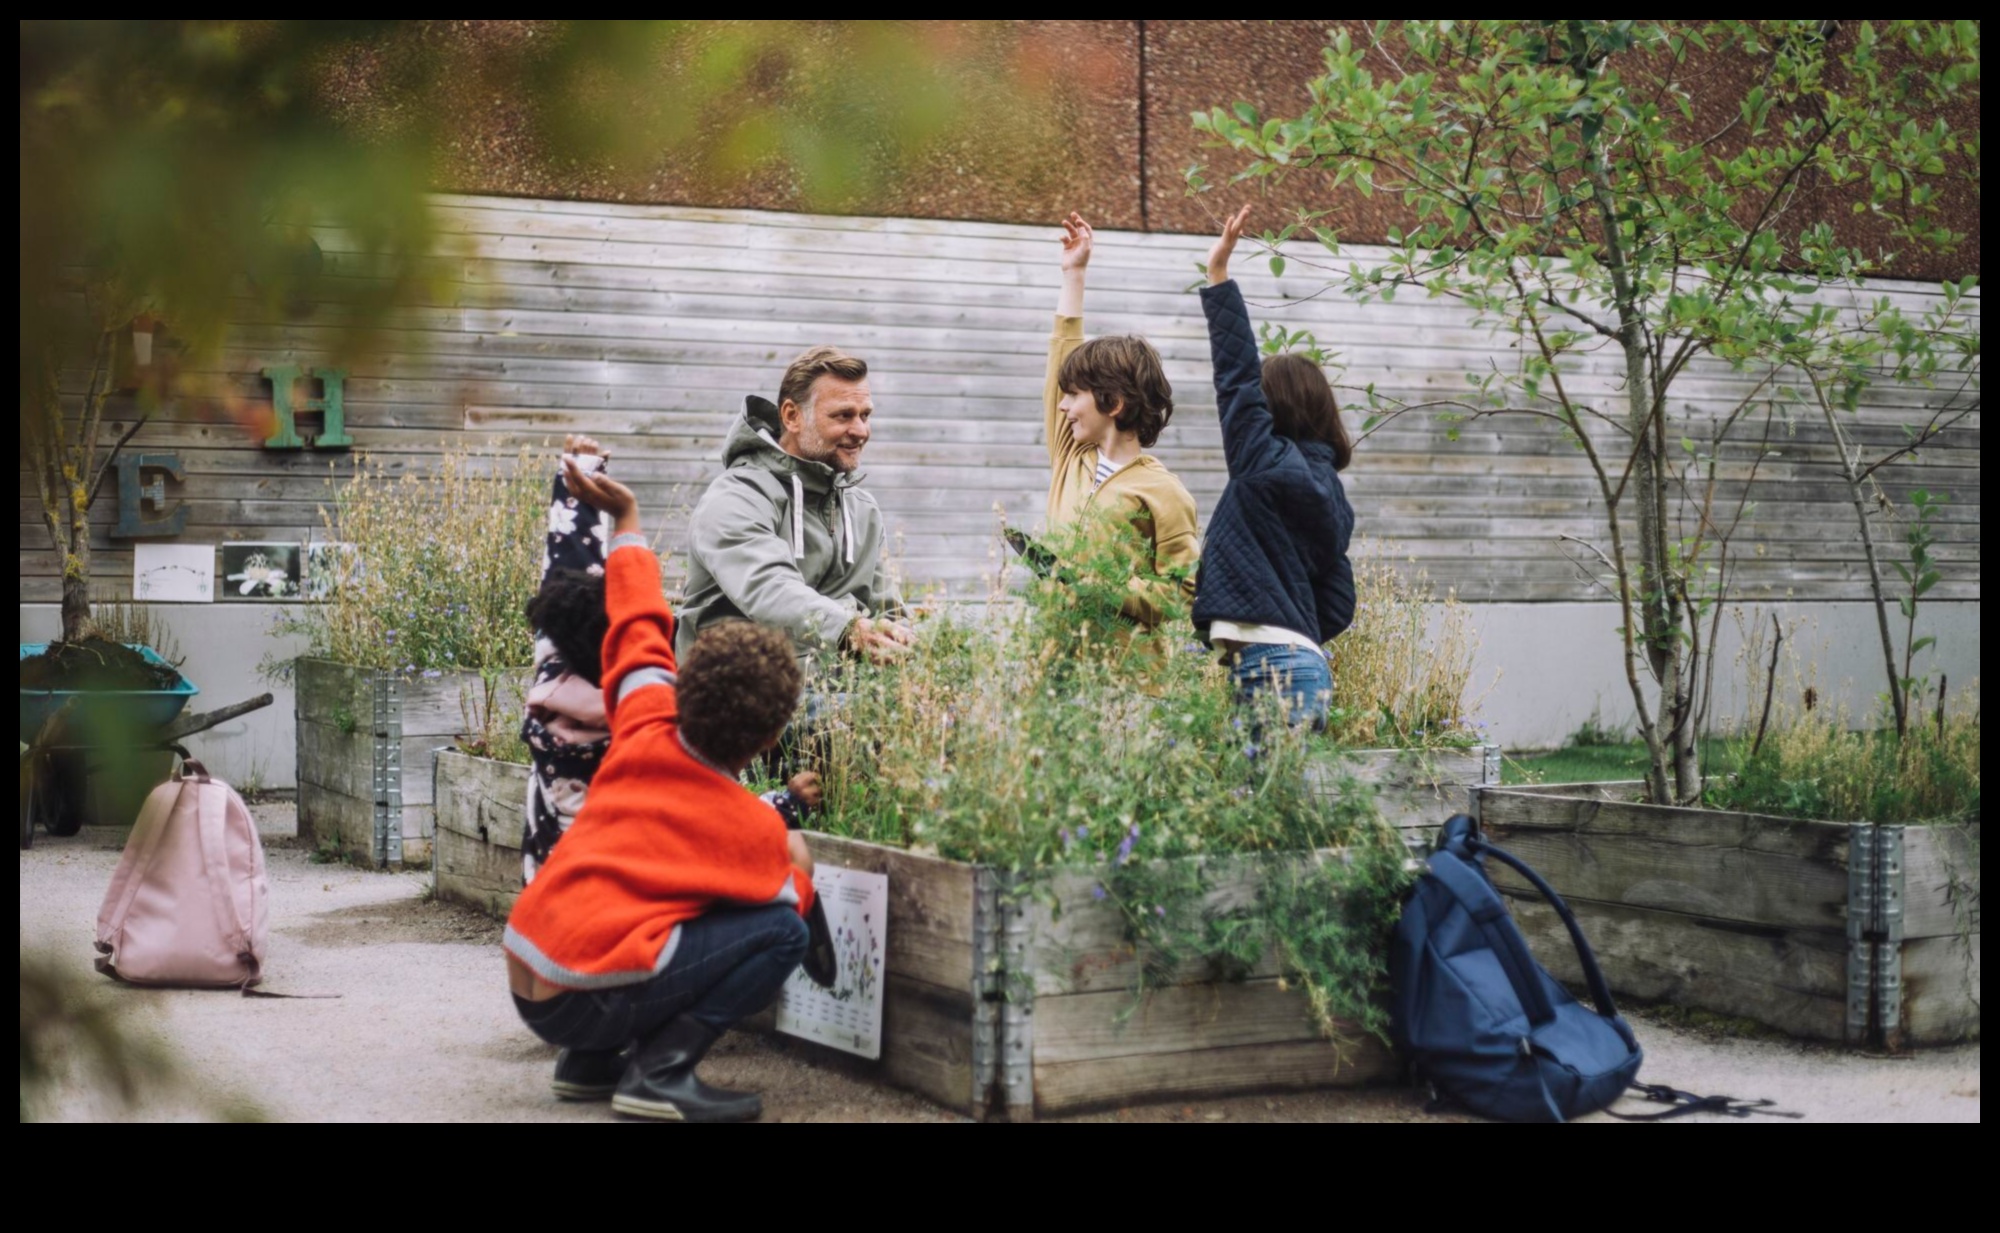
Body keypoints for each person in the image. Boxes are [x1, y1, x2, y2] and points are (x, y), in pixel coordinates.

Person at [504, 458, 819, 1123]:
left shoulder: (645, 719)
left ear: (685, 681)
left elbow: (639, 624)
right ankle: (660, 1072)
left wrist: (627, 519)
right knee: (780, 932)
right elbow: (785, 902)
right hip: (581, 991)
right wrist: (802, 866)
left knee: (659, 910)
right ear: (767, 741)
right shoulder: (747, 823)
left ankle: (588, 1064)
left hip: (529, 968)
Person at [519, 436, 814, 881]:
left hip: (540, 910)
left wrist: (578, 476)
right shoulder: (649, 736)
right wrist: (787, 803)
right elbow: (713, 815)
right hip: (615, 925)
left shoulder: (554, 674)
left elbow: (561, 569)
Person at [1193, 206, 1357, 728]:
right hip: (1303, 662)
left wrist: (1218, 279)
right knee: (1281, 807)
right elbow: (1337, 601)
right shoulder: (1330, 490)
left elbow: (1236, 382)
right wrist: (1290, 623)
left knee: (1261, 806)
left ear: (1273, 409)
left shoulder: (1260, 463)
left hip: (1272, 668)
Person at [679, 346, 911, 671]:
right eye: (843, 415)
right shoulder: (737, 496)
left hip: (839, 698)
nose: (860, 430)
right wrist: (850, 630)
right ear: (792, 416)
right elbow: (767, 587)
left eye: (865, 415)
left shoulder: (862, 510)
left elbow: (888, 611)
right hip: (741, 699)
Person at [1040, 212, 1200, 629]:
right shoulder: (1071, 456)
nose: (1063, 406)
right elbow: (1063, 350)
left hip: (1129, 683)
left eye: (1075, 395)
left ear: (1113, 403)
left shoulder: (1165, 493)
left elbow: (1183, 593)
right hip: (1056, 669)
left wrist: (1101, 584)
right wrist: (1074, 274)